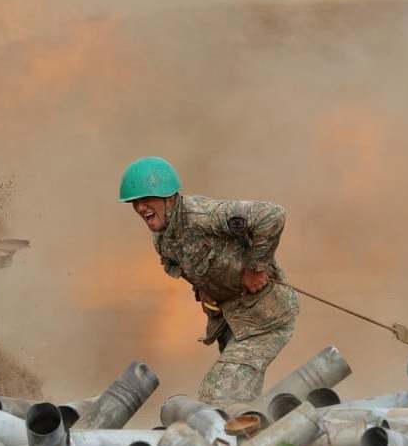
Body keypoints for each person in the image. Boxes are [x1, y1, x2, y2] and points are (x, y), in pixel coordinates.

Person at [119, 156, 299, 406]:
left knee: (219, 395)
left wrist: (256, 268)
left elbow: (272, 215)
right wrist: (204, 289)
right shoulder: (163, 239)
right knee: (239, 402)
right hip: (232, 322)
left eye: (146, 199)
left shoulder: (205, 215)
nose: (140, 208)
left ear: (169, 197)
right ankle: (256, 440)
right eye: (134, 202)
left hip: (265, 318)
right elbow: (191, 265)